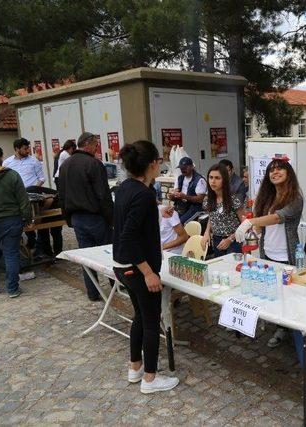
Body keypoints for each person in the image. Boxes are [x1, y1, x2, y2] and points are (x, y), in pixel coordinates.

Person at [112, 140, 179, 394]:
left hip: (124, 265)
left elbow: (130, 222)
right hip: (137, 268)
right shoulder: (143, 194)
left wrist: (157, 211)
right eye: (159, 162)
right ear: (152, 164)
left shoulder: (126, 187)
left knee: (140, 317)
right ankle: (150, 379)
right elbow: (129, 236)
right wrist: (148, 272)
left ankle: (135, 367)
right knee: (152, 321)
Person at [235, 158, 303, 347]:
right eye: (271, 170)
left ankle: (286, 329)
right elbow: (262, 225)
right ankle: (277, 324)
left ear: (288, 173)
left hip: (286, 255)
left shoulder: (296, 199)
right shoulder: (267, 197)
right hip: (267, 252)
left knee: (288, 294)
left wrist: (251, 222)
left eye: (280, 169)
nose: (275, 172)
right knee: (272, 290)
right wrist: (251, 230)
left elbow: (276, 218)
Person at [58, 132, 114, 301]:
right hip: (94, 217)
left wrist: (68, 219)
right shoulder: (93, 164)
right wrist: (112, 220)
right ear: (88, 144)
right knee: (108, 253)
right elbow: (103, 195)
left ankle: (92, 292)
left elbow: (62, 195)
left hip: (77, 217)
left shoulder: (65, 165)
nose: (97, 148)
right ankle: (115, 287)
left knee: (87, 257)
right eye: (96, 145)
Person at [0, 144, 32, 298]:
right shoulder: (12, 175)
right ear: (0, 157)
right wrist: (27, 218)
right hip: (11, 221)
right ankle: (12, 289)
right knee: (11, 254)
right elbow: (23, 200)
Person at [3, 138, 45, 251]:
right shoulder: (7, 163)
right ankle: (31, 240)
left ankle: (41, 245)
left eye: (28, 148)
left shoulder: (34, 161)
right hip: (16, 197)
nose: (27, 151)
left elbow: (41, 178)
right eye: (25, 148)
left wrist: (35, 190)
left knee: (37, 219)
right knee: (21, 220)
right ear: (17, 149)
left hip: (33, 196)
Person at [201, 163, 245, 257]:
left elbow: (244, 224)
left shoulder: (233, 199)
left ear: (224, 180)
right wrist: (206, 232)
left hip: (234, 241)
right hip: (217, 239)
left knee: (232, 268)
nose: (213, 181)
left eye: (217, 178)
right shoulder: (208, 199)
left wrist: (230, 239)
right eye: (211, 177)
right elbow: (212, 216)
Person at [168, 157, 207, 223]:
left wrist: (185, 196)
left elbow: (200, 199)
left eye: (185, 167)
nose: (183, 170)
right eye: (181, 168)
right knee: (169, 221)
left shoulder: (199, 179)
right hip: (181, 206)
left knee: (179, 223)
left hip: (194, 208)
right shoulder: (180, 178)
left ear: (192, 167)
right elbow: (175, 192)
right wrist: (172, 196)